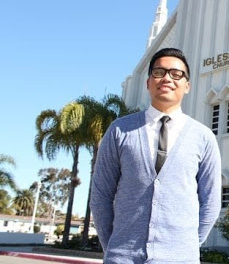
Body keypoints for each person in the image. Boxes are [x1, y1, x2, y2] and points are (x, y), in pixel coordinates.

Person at [91, 48, 222, 264]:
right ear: (148, 82)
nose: (167, 78)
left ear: (187, 86)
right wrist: (115, 247)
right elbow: (101, 195)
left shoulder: (203, 137)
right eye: (159, 72)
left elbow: (211, 202)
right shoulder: (120, 130)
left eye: (176, 74)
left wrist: (185, 248)